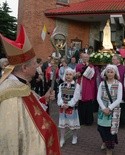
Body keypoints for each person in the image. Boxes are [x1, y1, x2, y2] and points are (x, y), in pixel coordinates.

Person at [0, 26, 60, 154]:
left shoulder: (21, 85)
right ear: (24, 68)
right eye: (34, 64)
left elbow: (30, 108)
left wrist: (44, 98)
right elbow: (9, 138)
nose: (37, 66)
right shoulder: (9, 94)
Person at [97, 64, 122, 155]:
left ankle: (109, 148)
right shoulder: (102, 83)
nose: (110, 74)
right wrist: (104, 108)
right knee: (101, 128)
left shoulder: (119, 84)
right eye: (108, 72)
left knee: (111, 130)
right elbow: (98, 97)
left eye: (112, 72)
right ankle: (104, 141)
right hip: (102, 109)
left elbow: (119, 98)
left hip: (113, 110)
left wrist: (109, 108)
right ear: (105, 73)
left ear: (115, 73)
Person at [57, 68, 80, 147]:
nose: (68, 76)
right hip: (63, 107)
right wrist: (61, 103)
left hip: (71, 108)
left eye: (70, 74)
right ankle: (62, 138)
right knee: (62, 124)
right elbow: (59, 95)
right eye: (67, 74)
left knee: (73, 124)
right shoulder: (61, 85)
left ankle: (74, 136)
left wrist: (69, 104)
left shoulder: (77, 85)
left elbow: (76, 97)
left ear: (73, 75)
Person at [75, 53, 96, 125]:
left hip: (88, 85)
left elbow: (91, 75)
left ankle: (89, 121)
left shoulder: (91, 66)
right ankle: (81, 120)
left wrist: (86, 70)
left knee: (88, 102)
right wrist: (77, 74)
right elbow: (75, 74)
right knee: (81, 102)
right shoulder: (78, 65)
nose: (85, 59)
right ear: (81, 58)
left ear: (89, 58)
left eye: (87, 57)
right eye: (84, 57)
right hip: (80, 84)